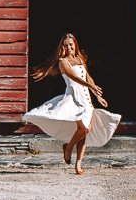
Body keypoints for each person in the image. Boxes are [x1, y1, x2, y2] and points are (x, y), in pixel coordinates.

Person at [22, 33, 121, 175]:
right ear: (62, 47)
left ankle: (78, 165)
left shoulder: (80, 59)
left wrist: (97, 96)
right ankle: (68, 148)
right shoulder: (63, 62)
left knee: (85, 132)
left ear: (75, 44)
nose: (69, 47)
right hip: (73, 98)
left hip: (86, 99)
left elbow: (88, 77)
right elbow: (74, 77)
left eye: (71, 44)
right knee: (84, 129)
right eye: (66, 45)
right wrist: (90, 86)